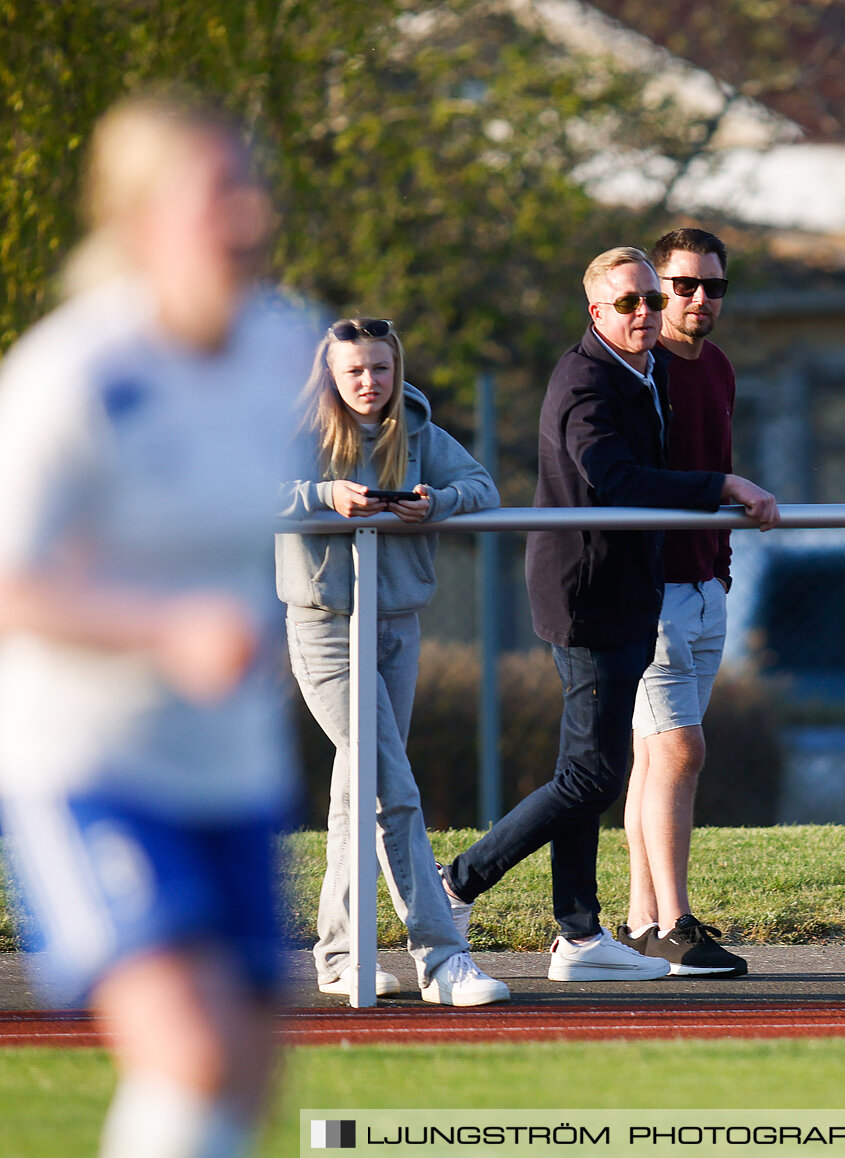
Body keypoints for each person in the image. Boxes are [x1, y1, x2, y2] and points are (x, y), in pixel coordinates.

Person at [0, 94, 314, 1158]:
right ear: (138, 222)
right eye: (216, 190)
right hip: (88, 760)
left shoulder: (286, 347)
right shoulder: (72, 376)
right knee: (190, 1047)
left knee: (248, 1068)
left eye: (251, 183)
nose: (247, 212)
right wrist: (164, 629)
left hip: (230, 764)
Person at [438, 246, 778, 982]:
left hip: (629, 589)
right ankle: (457, 883)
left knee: (588, 769)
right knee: (591, 777)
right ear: (596, 312)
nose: (646, 314)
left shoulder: (644, 369)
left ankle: (580, 934)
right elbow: (614, 477)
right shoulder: (586, 381)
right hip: (588, 595)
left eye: (652, 301)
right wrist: (721, 482)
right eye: (629, 303)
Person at [277, 317, 508, 1006]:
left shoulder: (417, 433)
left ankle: (341, 954)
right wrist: (323, 497)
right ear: (330, 376)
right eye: (355, 371)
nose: (369, 383)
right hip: (324, 630)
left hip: (397, 628)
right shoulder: (297, 436)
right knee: (393, 790)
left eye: (380, 369)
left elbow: (483, 487)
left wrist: (436, 501)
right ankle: (443, 959)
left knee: (359, 795)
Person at [618, 228, 757, 977]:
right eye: (683, 286)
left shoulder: (721, 369)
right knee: (680, 749)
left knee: (655, 756)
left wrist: (721, 568)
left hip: (706, 584)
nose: (699, 299)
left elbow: (721, 471)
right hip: (652, 590)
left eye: (714, 287)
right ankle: (674, 924)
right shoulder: (640, 371)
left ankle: (642, 920)